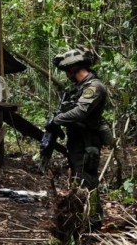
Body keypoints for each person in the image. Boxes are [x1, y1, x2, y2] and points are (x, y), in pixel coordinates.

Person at [51, 45, 110, 227]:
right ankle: (81, 219)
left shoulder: (94, 87)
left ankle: (93, 222)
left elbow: (80, 112)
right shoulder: (78, 88)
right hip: (77, 142)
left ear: (72, 68)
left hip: (87, 143)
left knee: (88, 182)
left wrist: (57, 119)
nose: (66, 74)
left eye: (66, 70)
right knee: (79, 180)